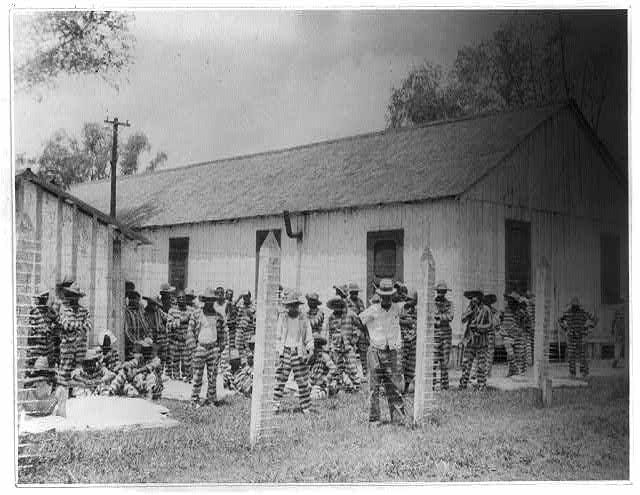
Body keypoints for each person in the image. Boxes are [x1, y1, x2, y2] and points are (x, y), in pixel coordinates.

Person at [358, 279, 407, 425]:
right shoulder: (373, 309)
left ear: (392, 295)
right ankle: (374, 419)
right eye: (383, 296)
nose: (386, 298)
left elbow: (409, 302)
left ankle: (398, 419)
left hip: (392, 352)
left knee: (395, 386)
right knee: (374, 386)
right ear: (379, 295)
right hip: (375, 352)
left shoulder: (397, 308)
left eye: (389, 295)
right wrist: (369, 335)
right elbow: (359, 320)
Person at [273, 291, 314, 414]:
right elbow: (278, 336)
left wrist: (310, 349)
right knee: (281, 379)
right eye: (290, 305)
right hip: (285, 350)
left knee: (302, 380)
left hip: (298, 351)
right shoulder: (283, 317)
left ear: (298, 305)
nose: (293, 308)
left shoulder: (303, 318)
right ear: (287, 306)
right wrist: (277, 352)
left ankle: (305, 406)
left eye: (295, 305)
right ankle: (275, 405)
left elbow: (309, 336)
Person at [189, 288, 223, 407]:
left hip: (213, 348)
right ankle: (194, 399)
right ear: (204, 300)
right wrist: (193, 348)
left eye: (211, 300)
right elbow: (190, 331)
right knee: (197, 375)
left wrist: (220, 347)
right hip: (200, 348)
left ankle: (211, 399)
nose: (209, 302)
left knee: (212, 375)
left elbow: (223, 333)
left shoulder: (218, 316)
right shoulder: (197, 314)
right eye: (207, 300)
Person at [57, 283, 92, 396]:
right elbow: (65, 325)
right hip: (67, 347)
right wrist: (80, 327)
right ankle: (62, 394)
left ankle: (75, 393)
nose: (74, 298)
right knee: (64, 372)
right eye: (71, 295)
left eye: (76, 296)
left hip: (80, 348)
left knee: (78, 371)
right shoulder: (64, 310)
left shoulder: (84, 311)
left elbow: (89, 325)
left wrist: (77, 327)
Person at [324, 296, 361, 393]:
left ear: (342, 305)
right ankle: (340, 387)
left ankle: (357, 387)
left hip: (348, 346)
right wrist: (330, 346)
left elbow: (360, 326)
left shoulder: (350, 314)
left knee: (352, 366)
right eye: (335, 306)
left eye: (338, 305)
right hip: (336, 347)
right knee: (338, 368)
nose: (337, 308)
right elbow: (330, 333)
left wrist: (355, 338)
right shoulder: (331, 317)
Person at [459, 290, 490, 390]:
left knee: (481, 365)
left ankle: (481, 385)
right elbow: (463, 319)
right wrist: (470, 311)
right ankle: (463, 384)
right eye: (472, 298)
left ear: (480, 298)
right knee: (466, 363)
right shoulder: (470, 308)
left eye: (476, 297)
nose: (474, 299)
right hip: (470, 340)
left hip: (481, 341)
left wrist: (478, 327)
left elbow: (490, 325)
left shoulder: (486, 309)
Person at [559, 297, 597, 379]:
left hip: (581, 336)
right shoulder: (567, 313)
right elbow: (559, 320)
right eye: (573, 306)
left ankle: (584, 373)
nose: (575, 308)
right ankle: (572, 373)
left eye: (576, 306)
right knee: (571, 356)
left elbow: (595, 320)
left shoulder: (583, 312)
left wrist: (588, 328)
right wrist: (565, 328)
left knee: (583, 356)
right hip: (571, 337)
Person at [26, 287, 54, 377]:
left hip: (48, 347)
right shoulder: (34, 312)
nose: (45, 299)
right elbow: (31, 330)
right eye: (42, 297)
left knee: (48, 372)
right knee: (32, 370)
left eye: (46, 297)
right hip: (37, 347)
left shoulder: (50, 311)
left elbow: (58, 323)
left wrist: (52, 329)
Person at [433, 281, 453, 391]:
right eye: (439, 292)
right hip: (434, 335)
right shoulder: (431, 303)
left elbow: (450, 317)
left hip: (446, 335)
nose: (441, 294)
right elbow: (429, 316)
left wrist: (438, 317)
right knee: (433, 360)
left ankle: (444, 386)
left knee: (444, 361)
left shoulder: (450, 304)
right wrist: (441, 317)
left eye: (443, 292)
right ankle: (431, 384)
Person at [167, 290, 191, 381]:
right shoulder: (172, 311)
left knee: (186, 361)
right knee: (175, 361)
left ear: (186, 299)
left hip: (186, 340)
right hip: (175, 340)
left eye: (183, 298)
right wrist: (181, 320)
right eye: (179, 298)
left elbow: (194, 324)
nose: (181, 299)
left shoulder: (190, 310)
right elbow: (169, 325)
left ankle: (186, 377)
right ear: (177, 299)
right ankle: (176, 378)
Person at [500, 292, 525, 377]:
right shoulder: (505, 309)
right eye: (509, 300)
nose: (509, 301)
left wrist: (520, 330)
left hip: (517, 335)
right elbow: (500, 318)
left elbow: (524, 322)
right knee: (510, 352)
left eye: (511, 300)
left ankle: (511, 371)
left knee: (517, 355)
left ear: (515, 301)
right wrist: (501, 328)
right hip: (506, 335)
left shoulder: (519, 311)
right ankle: (515, 368)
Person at [123, 283, 149, 361]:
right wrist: (136, 342)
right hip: (131, 347)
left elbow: (145, 326)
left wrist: (147, 337)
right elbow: (127, 332)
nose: (137, 302)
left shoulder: (139, 312)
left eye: (138, 300)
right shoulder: (127, 312)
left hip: (141, 344)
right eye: (135, 300)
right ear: (130, 300)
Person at [143, 296, 168, 373]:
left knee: (163, 355)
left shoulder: (159, 311)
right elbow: (145, 326)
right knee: (154, 356)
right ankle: (154, 372)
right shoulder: (145, 314)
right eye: (153, 304)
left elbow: (167, 318)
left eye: (155, 305)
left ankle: (160, 371)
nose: (155, 306)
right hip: (151, 337)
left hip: (161, 336)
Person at [399, 291, 417, 394]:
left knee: (410, 366)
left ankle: (405, 389)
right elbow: (396, 320)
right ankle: (397, 388)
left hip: (413, 341)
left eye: (413, 300)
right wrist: (408, 322)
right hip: (403, 340)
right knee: (401, 364)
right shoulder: (401, 308)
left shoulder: (417, 311)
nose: (410, 302)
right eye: (409, 299)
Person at [235, 291, 256, 368]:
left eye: (246, 296)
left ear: (249, 297)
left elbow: (254, 318)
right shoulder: (240, 305)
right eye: (243, 297)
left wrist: (250, 314)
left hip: (248, 330)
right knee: (238, 347)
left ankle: (250, 366)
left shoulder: (253, 306)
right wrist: (239, 297)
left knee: (248, 349)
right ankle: (243, 365)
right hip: (239, 329)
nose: (245, 298)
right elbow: (232, 306)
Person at [483, 294, 499, 378]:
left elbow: (496, 324)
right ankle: (482, 372)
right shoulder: (481, 310)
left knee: (489, 354)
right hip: (483, 334)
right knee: (482, 354)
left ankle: (487, 372)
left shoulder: (494, 312)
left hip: (490, 334)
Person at [612, 298, 626, 368]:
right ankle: (616, 360)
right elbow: (614, 320)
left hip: (620, 329)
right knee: (618, 345)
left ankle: (616, 360)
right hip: (621, 329)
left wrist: (612, 329)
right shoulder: (624, 309)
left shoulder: (618, 309)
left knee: (618, 345)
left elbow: (614, 320)